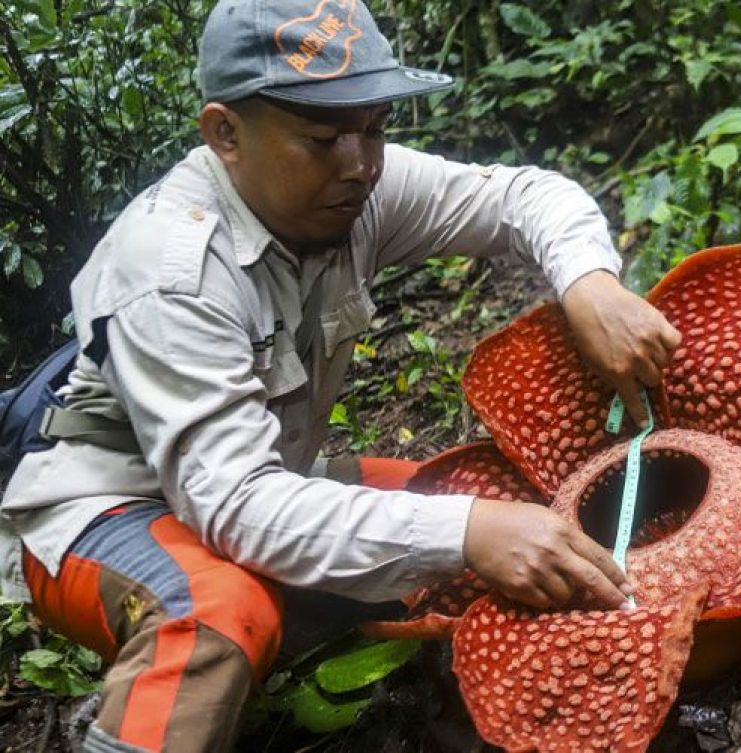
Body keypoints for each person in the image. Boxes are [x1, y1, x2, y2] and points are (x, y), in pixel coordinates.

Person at [0, 1, 682, 750]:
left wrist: (591, 282)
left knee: (486, 496)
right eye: (322, 138)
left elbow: (523, 196)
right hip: (110, 505)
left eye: (376, 128)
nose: (359, 164)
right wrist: (466, 535)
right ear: (225, 133)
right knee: (218, 613)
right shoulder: (173, 271)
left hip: (260, 478)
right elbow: (237, 507)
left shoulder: (355, 185)